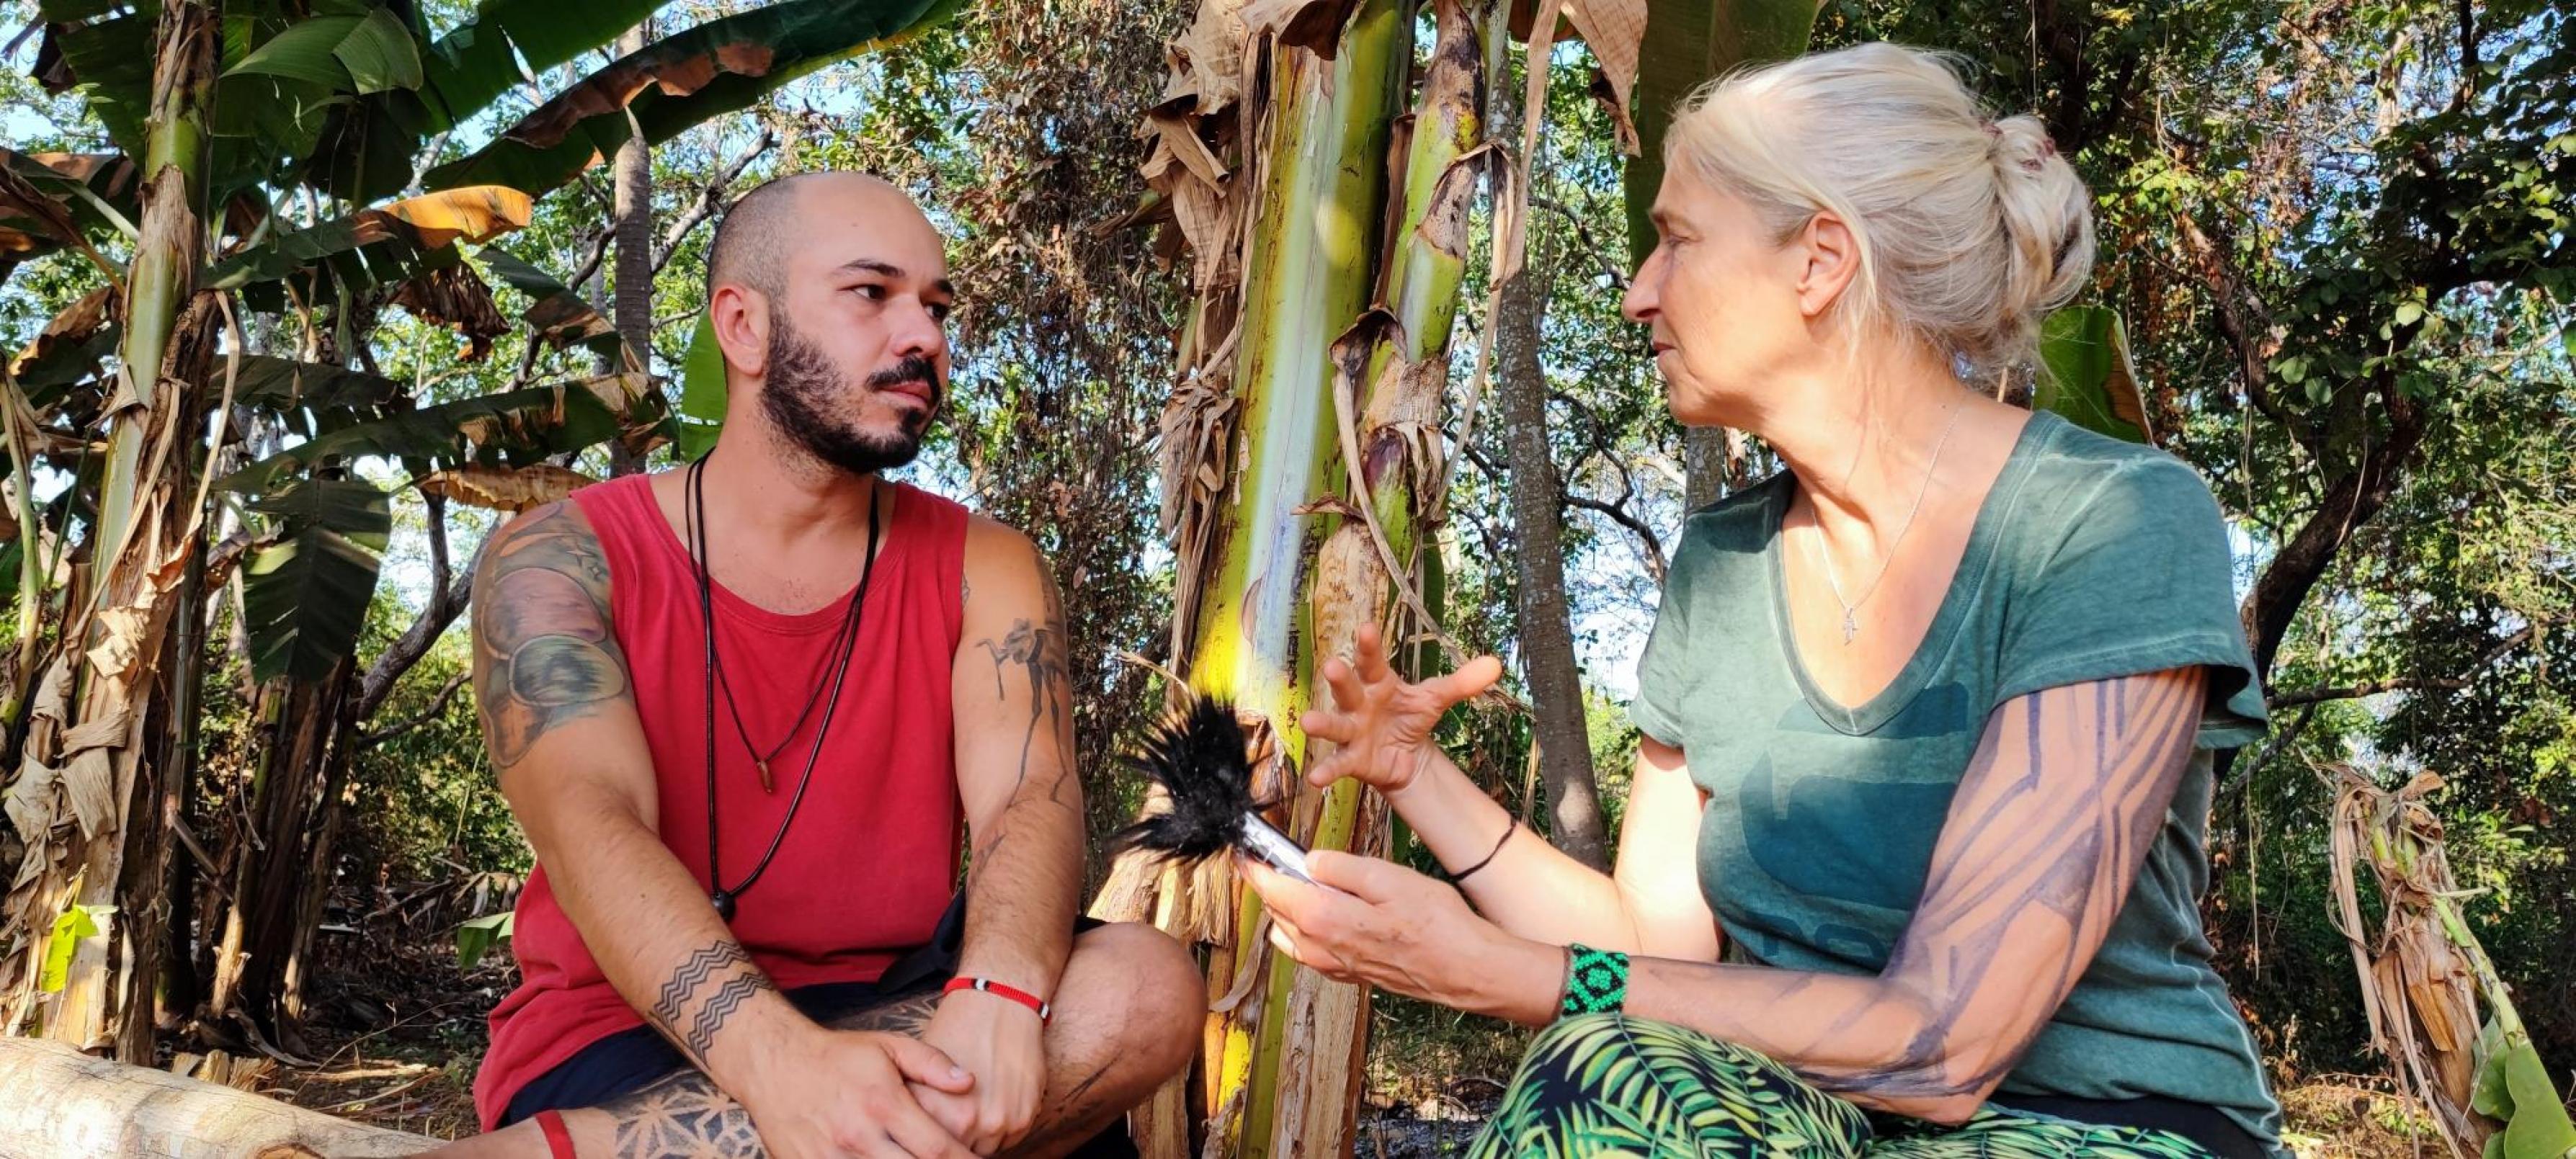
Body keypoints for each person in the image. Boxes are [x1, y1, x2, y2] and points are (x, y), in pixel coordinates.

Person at [1238, 43, 2286, 1159]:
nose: (1641, 289)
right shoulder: (1723, 563)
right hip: (1804, 1118)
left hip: (2106, 1125)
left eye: (1678, 239)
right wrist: (1421, 778)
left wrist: (1508, 978)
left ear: (1819, 260)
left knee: (1582, 1045)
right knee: (1600, 1074)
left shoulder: (2111, 520)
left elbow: (1946, 1039)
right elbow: (1653, 947)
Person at [437, 171, 1201, 1159]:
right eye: (871, 292)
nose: (921, 336)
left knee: (1144, 982)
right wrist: (778, 1065)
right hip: (634, 1035)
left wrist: (1001, 984)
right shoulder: (557, 556)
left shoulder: (989, 564)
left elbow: (1032, 795)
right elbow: (595, 825)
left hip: (907, 1016)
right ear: (743, 327)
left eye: (935, 306)